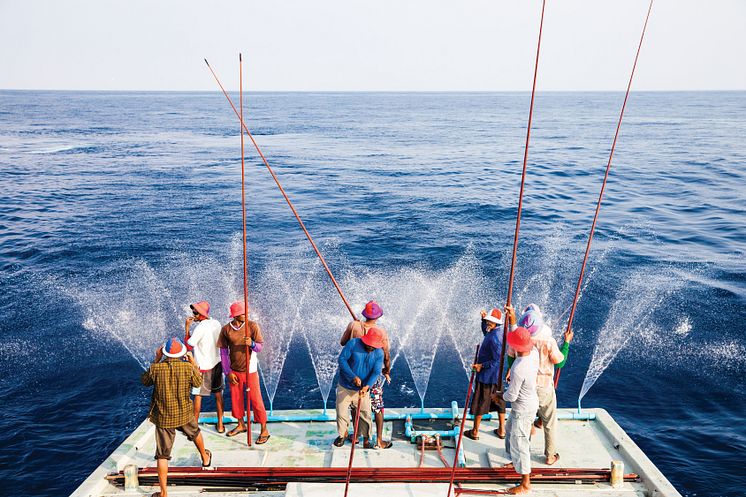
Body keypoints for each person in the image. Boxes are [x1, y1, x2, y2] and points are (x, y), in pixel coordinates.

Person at [141, 337, 212, 497]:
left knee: (162, 455)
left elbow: (144, 381)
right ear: (182, 353)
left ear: (164, 353)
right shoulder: (187, 368)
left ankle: (164, 492)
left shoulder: (156, 369)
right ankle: (205, 458)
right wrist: (193, 362)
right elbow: (198, 382)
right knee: (195, 433)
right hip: (184, 413)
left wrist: (156, 359)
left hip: (164, 417)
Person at [511, 304, 573, 465]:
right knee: (550, 422)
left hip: (526, 387)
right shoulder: (548, 341)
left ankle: (522, 450)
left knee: (525, 419)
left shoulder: (521, 339)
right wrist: (566, 344)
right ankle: (550, 455)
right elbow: (560, 363)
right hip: (544, 386)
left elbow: (511, 358)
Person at [340, 300, 393, 449]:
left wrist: (355, 331)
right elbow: (386, 354)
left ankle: (357, 436)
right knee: (377, 406)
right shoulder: (380, 332)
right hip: (372, 377)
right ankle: (378, 441)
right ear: (377, 317)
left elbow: (343, 342)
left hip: (354, 373)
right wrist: (386, 371)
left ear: (365, 314)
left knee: (355, 405)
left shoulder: (354, 326)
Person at [217, 301, 270, 444]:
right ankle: (241, 425)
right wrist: (228, 372)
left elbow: (259, 347)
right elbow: (223, 353)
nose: (246, 315)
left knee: (256, 400)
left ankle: (264, 429)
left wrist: (252, 344)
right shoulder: (226, 330)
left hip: (250, 371)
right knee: (236, 400)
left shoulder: (252, 326)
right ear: (235, 316)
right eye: (243, 313)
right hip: (234, 371)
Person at [500, 326, 539, 495]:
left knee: (520, 443)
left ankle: (525, 484)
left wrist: (500, 396)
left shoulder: (518, 368)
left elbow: (512, 396)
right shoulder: (534, 354)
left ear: (515, 347)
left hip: (522, 409)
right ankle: (515, 462)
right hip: (531, 404)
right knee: (510, 432)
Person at [333, 327, 385, 449]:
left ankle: (367, 438)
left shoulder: (379, 353)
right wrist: (352, 377)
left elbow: (376, 372)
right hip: (345, 386)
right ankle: (342, 435)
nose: (371, 348)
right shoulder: (353, 343)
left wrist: (367, 386)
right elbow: (342, 360)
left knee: (365, 414)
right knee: (341, 412)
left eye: (374, 346)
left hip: (362, 390)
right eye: (369, 345)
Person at [464, 307, 508, 441]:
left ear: (496, 323)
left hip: (487, 377)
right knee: (499, 401)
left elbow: (497, 359)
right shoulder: (497, 332)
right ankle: (501, 430)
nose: (488, 323)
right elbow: (486, 333)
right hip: (496, 376)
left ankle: (475, 431)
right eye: (488, 320)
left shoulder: (495, 338)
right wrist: (483, 321)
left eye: (490, 321)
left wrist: (481, 366)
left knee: (480, 402)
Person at [185, 300, 225, 433]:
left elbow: (189, 345)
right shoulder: (216, 323)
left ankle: (194, 426)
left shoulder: (200, 328)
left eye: (195, 312)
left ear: (201, 314)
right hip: (217, 363)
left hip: (203, 367)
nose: (193, 315)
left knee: (198, 396)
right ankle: (220, 424)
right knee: (218, 394)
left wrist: (187, 328)